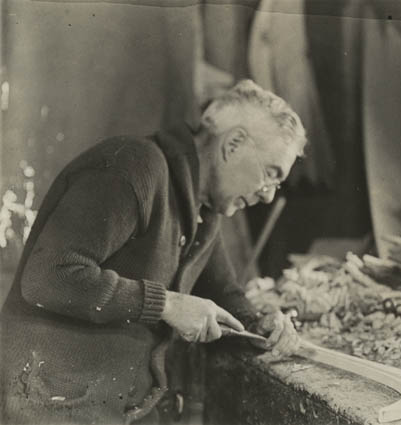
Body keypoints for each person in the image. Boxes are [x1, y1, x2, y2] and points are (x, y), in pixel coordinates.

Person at [0, 80, 304, 424]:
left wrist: (260, 326)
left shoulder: (202, 212)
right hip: (48, 404)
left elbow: (222, 293)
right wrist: (167, 305)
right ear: (232, 144)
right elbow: (48, 276)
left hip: (116, 407)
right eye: (270, 174)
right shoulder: (133, 167)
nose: (267, 195)